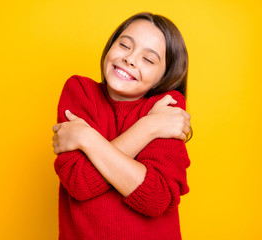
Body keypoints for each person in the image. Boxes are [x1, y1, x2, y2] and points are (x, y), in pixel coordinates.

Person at [52, 12, 191, 240]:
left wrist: (87, 138)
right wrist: (150, 128)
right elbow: (80, 182)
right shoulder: (80, 91)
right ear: (110, 46)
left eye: (148, 59)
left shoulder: (166, 106)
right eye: (125, 45)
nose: (130, 59)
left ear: (165, 76)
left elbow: (154, 199)